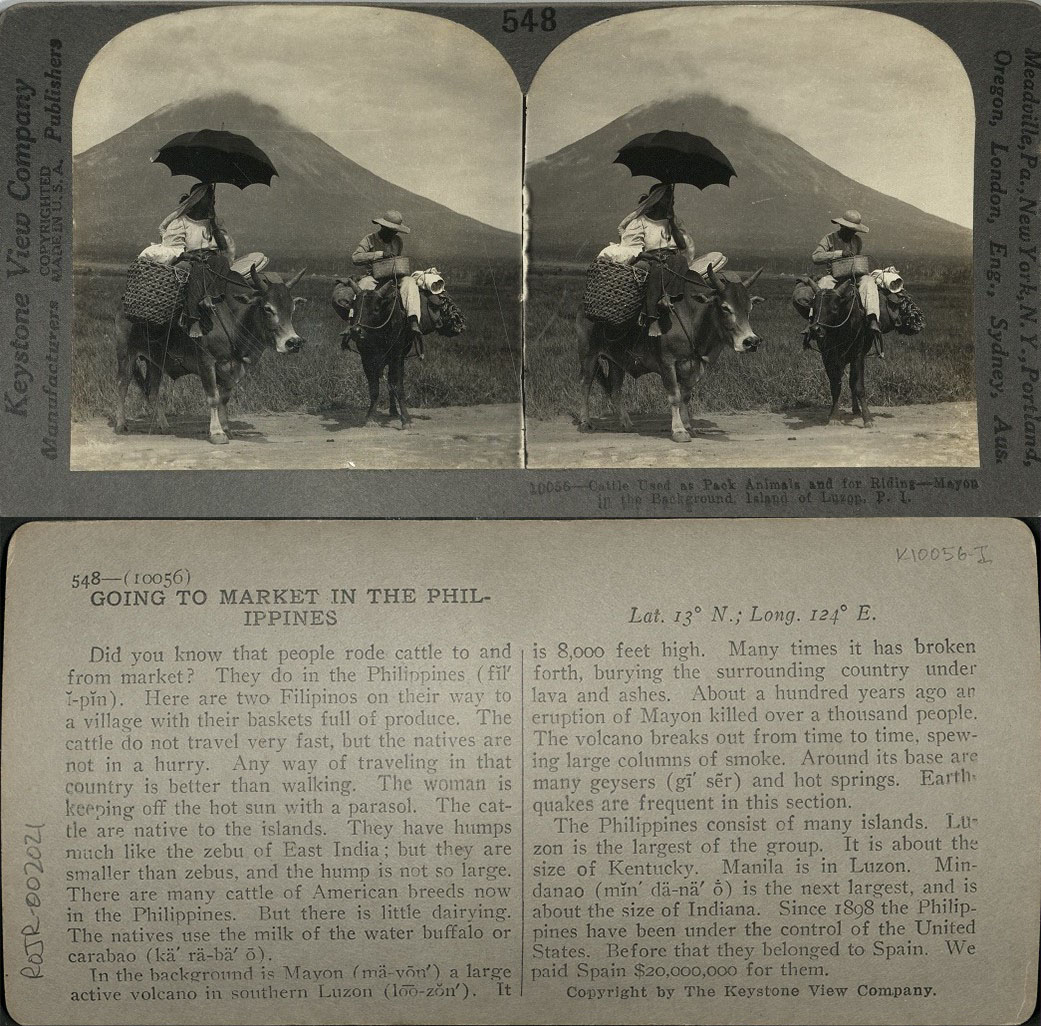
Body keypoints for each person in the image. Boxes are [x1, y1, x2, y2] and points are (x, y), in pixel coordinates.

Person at [614, 183, 696, 337]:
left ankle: (666, 297)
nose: (672, 203)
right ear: (657, 200)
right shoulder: (641, 222)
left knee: (680, 261)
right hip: (649, 258)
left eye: (672, 200)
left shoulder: (673, 222)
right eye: (668, 200)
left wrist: (671, 223)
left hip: (671, 258)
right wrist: (648, 255)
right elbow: (630, 247)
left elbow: (682, 245)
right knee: (658, 268)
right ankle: (651, 318)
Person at [159, 182, 235, 338]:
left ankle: (209, 298)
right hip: (189, 259)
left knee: (222, 262)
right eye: (210, 198)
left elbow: (223, 246)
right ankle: (192, 318)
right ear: (198, 200)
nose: (213, 202)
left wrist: (213, 223)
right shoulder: (181, 222)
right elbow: (172, 248)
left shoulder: (214, 223)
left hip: (211, 258)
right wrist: (190, 256)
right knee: (198, 269)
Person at [807, 209, 884, 357]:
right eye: (849, 229)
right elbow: (816, 257)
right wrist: (838, 254)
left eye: (853, 230)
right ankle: (812, 321)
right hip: (834, 276)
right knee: (822, 286)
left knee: (869, 282)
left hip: (854, 275)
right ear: (841, 226)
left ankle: (873, 319)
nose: (851, 233)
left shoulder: (857, 241)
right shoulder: (829, 239)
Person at [351, 209, 423, 351]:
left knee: (410, 283)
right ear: (382, 227)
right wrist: (379, 254)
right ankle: (353, 322)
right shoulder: (369, 239)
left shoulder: (397, 241)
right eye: (390, 230)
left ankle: (413, 321)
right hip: (374, 277)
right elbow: (355, 257)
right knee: (363, 288)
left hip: (393, 276)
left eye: (395, 231)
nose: (392, 233)